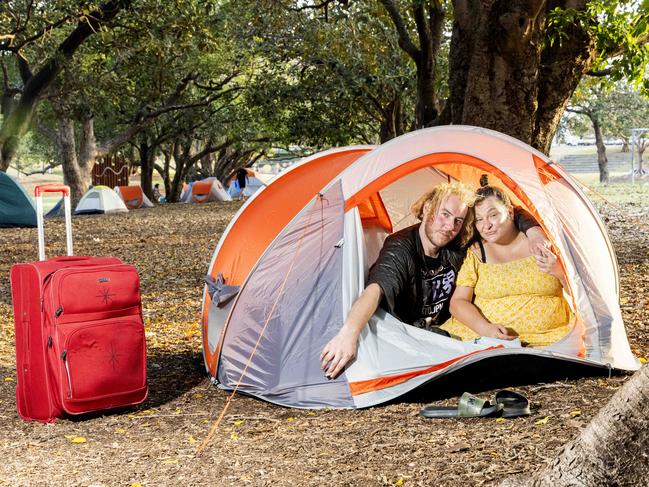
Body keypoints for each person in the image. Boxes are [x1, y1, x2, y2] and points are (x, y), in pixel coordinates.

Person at [320, 181, 547, 379]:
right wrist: (348, 335)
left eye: (458, 220)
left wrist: (535, 232)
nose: (450, 226)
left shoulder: (456, 242)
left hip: (443, 336)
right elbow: (375, 289)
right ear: (428, 208)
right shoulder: (401, 248)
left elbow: (506, 214)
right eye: (444, 215)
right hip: (405, 336)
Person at [439, 178, 572, 347]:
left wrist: (560, 272)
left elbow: (582, 297)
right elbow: (458, 303)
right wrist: (486, 329)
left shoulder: (541, 243)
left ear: (509, 212)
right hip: (483, 338)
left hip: (548, 338)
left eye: (493, 215)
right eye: (479, 219)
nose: (486, 225)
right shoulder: (476, 252)